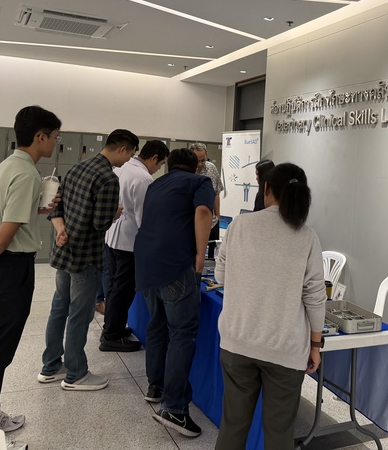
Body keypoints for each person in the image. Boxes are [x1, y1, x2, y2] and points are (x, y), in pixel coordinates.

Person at [0, 105, 62, 450]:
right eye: (55, 137)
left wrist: (37, 210)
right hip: (8, 267)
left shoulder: (8, 165)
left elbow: (7, 217)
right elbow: (5, 234)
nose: (56, 143)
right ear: (40, 137)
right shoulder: (28, 174)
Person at [214, 163, 326, 449]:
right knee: (279, 433)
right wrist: (315, 345)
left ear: (266, 189)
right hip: (284, 348)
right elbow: (315, 296)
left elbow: (221, 276)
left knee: (233, 425)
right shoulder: (307, 237)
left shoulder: (240, 225)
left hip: (237, 341)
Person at [38, 129, 139, 391]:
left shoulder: (76, 168)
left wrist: (61, 230)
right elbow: (99, 223)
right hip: (86, 257)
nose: (128, 160)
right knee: (79, 315)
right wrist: (115, 213)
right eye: (130, 154)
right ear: (122, 149)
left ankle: (51, 366)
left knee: (59, 309)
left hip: (64, 254)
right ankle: (75, 374)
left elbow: (56, 209)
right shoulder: (107, 177)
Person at [135, 148, 214, 437]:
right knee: (182, 333)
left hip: (146, 263)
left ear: (169, 166)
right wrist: (200, 255)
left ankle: (155, 386)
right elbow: (203, 212)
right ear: (197, 167)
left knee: (157, 325)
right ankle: (175, 409)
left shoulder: (156, 184)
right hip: (175, 264)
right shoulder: (199, 182)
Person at [100, 139, 170, 352]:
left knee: (114, 286)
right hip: (128, 242)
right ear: (154, 158)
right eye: (160, 164)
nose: (158, 169)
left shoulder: (123, 167)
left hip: (113, 237)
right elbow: (143, 217)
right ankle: (111, 335)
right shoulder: (143, 178)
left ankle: (112, 328)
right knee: (122, 290)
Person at [189, 142, 224, 240]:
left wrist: (218, 216)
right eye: (197, 160)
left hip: (211, 223)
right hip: (192, 223)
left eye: (203, 160)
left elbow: (216, 193)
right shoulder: (187, 171)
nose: (200, 164)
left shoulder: (211, 168)